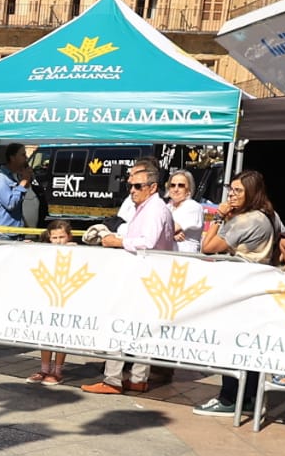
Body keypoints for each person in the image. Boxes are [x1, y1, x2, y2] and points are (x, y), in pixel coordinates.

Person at [193, 169, 282, 418]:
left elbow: (208, 247)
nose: (231, 195)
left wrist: (219, 218)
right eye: (231, 190)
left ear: (251, 192)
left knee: (232, 344)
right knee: (249, 348)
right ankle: (249, 399)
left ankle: (229, 398)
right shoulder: (270, 214)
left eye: (238, 191)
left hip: (240, 289)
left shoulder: (248, 220)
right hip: (258, 287)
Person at [82, 165, 176, 395]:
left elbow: (149, 241)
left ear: (152, 187)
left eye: (137, 186)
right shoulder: (149, 207)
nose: (132, 190)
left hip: (143, 277)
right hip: (147, 276)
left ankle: (113, 379)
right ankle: (137, 378)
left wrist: (118, 241)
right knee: (141, 328)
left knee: (118, 324)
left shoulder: (154, 209)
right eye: (130, 185)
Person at [30, 221, 76, 384]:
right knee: (45, 333)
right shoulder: (46, 250)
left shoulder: (77, 250)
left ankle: (57, 370)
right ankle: (44, 369)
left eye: (61, 237)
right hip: (49, 295)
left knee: (60, 334)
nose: (58, 241)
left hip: (67, 296)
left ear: (68, 236)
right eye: (54, 237)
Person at [0, 144, 31, 239]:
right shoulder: (1, 178)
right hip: (4, 234)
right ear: (12, 158)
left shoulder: (16, 176)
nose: (26, 158)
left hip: (17, 231)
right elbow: (10, 204)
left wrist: (27, 181)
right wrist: (23, 182)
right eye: (23, 155)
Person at [166, 169, 204, 253]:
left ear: (189, 190)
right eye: (172, 185)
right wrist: (171, 234)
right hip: (166, 256)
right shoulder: (167, 207)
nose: (176, 189)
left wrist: (170, 232)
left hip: (186, 257)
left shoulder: (193, 207)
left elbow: (169, 228)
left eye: (181, 186)